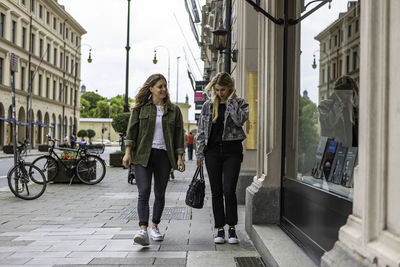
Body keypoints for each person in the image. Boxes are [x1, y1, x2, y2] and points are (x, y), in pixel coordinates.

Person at [123, 73, 186, 246]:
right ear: (151, 88)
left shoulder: (174, 110)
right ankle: (142, 230)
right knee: (143, 192)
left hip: (164, 156)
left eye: (165, 86)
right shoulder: (140, 108)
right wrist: (128, 153)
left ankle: (155, 226)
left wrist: (180, 157)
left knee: (160, 193)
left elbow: (179, 135)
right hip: (143, 155)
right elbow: (132, 132)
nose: (164, 89)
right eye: (160, 86)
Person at [196, 72, 249, 244]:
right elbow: (202, 130)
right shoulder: (207, 106)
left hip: (232, 152)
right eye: (217, 90)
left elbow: (240, 120)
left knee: (229, 190)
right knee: (216, 191)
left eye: (224, 90)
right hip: (212, 153)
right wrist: (199, 153)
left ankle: (232, 228)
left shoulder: (240, 103)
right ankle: (220, 229)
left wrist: (232, 101)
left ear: (231, 88)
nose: (220, 93)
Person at [318, 75, 359, 148]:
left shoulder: (355, 109)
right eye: (347, 93)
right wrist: (339, 102)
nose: (349, 96)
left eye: (351, 93)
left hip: (352, 153)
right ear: (338, 92)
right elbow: (328, 124)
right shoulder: (325, 105)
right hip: (333, 152)